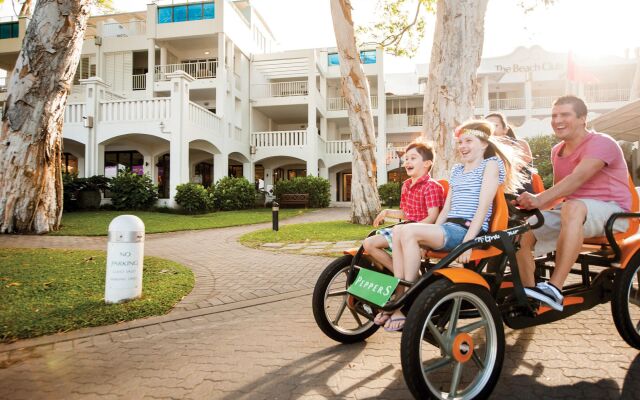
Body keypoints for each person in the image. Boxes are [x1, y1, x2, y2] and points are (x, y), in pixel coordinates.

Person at [381, 120, 525, 331]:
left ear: (484, 144)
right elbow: (446, 210)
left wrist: (467, 243)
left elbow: (483, 207)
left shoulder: (491, 165)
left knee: (408, 230)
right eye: (460, 142)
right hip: (449, 228)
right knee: (400, 230)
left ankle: (402, 301)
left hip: (468, 230)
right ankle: (400, 297)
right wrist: (427, 236)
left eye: (469, 141)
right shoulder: (457, 170)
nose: (463, 146)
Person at [515, 95, 631, 311]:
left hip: (613, 212)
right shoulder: (557, 151)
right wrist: (531, 206)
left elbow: (576, 180)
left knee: (573, 206)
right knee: (521, 230)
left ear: (582, 118)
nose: (557, 120)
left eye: (565, 114)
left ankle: (554, 289)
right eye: (554, 115)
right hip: (574, 212)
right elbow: (561, 193)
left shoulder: (602, 143)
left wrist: (539, 198)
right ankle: (531, 294)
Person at [363, 140, 445, 326]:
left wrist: (412, 232)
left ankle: (400, 293)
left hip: (420, 232)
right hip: (404, 229)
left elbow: (432, 217)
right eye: (406, 158)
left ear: (427, 163)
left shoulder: (432, 186)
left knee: (397, 239)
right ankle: (409, 276)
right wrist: (387, 212)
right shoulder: (406, 185)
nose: (407, 162)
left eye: (412, 158)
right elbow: (406, 214)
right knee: (369, 244)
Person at [485, 112, 534, 193]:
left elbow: (510, 172)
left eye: (495, 125)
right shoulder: (484, 149)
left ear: (505, 129)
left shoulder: (520, 144)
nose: (491, 130)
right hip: (495, 195)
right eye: (487, 127)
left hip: (521, 196)